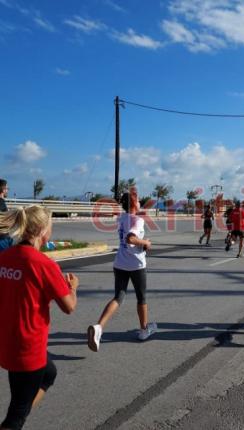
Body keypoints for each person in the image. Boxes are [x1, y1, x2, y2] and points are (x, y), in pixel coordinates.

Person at [0, 205, 79, 430]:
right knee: (15, 417)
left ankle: (22, 412)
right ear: (43, 230)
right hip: (28, 350)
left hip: (7, 342)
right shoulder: (44, 264)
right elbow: (69, 307)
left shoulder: (5, 257)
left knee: (49, 373)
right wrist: (73, 287)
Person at [87, 188, 156, 352]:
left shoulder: (122, 218)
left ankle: (99, 328)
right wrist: (146, 243)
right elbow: (130, 238)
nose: (140, 201)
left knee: (118, 297)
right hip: (136, 265)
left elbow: (126, 234)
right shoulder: (137, 220)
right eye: (137, 199)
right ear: (133, 203)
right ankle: (144, 330)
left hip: (120, 263)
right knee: (141, 298)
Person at [0, 179, 13, 252]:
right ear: (3, 190)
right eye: (7, 188)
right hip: (2, 239)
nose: (7, 190)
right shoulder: (1, 202)